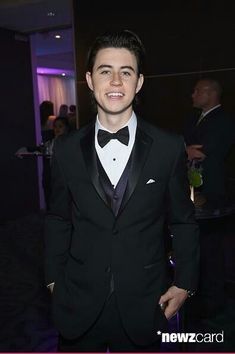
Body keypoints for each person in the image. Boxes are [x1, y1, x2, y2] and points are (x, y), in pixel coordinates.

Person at [44, 29, 200, 352]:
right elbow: (58, 219)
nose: (116, 82)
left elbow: (183, 222)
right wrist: (52, 279)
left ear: (139, 82)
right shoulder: (65, 150)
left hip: (145, 303)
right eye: (105, 71)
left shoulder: (168, 147)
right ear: (89, 80)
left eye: (125, 72)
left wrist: (185, 282)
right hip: (78, 300)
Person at [183, 78, 235, 208]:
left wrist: (184, 150)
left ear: (211, 93)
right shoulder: (193, 118)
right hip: (192, 185)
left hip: (211, 188)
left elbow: (200, 152)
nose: (193, 95)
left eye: (197, 91)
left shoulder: (224, 120)